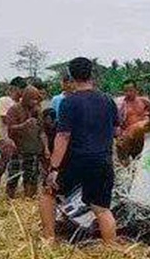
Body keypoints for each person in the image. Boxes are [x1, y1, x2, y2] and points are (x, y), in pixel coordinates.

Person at [42, 57, 119, 245]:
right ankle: (112, 250)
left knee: (48, 192)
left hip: (76, 160)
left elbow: (63, 137)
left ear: (71, 76)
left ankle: (49, 239)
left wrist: (53, 168)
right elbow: (116, 131)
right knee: (101, 208)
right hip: (102, 160)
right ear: (91, 74)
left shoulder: (69, 102)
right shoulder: (108, 100)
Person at [3, 86, 47, 198]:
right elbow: (10, 128)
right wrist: (24, 125)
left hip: (33, 149)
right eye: (32, 99)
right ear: (25, 98)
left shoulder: (37, 111)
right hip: (17, 150)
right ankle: (9, 200)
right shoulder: (14, 109)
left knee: (32, 177)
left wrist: (45, 148)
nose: (35, 102)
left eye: (37, 99)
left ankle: (29, 200)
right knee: (13, 176)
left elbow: (42, 131)